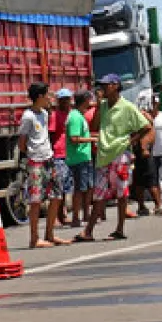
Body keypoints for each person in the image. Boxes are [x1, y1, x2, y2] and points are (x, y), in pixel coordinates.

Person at [81, 74, 147, 243]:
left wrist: (130, 142)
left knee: (121, 193)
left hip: (120, 155)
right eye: (101, 86)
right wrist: (97, 105)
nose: (102, 88)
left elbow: (146, 126)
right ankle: (88, 231)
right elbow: (94, 126)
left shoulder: (127, 107)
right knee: (99, 193)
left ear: (115, 86)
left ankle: (119, 228)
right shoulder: (102, 106)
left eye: (106, 85)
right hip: (104, 154)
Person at [17, 83, 66, 248]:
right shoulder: (28, 116)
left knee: (57, 195)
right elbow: (22, 142)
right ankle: (34, 238)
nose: (49, 98)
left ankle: (50, 234)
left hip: (49, 159)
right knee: (36, 200)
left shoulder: (44, 114)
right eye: (47, 95)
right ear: (39, 96)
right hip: (36, 161)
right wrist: (32, 154)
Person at [65, 90, 98, 229]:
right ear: (84, 100)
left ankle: (86, 215)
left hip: (85, 157)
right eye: (89, 99)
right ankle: (76, 218)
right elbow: (74, 138)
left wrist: (95, 136)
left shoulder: (80, 115)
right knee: (79, 189)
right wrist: (93, 139)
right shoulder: (74, 117)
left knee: (88, 187)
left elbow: (83, 134)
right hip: (77, 159)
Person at [50, 89, 75, 227]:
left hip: (69, 154)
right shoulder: (55, 115)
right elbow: (51, 134)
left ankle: (62, 215)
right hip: (58, 154)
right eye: (62, 99)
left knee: (66, 188)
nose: (65, 102)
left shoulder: (70, 114)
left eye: (67, 99)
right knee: (58, 188)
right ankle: (56, 217)